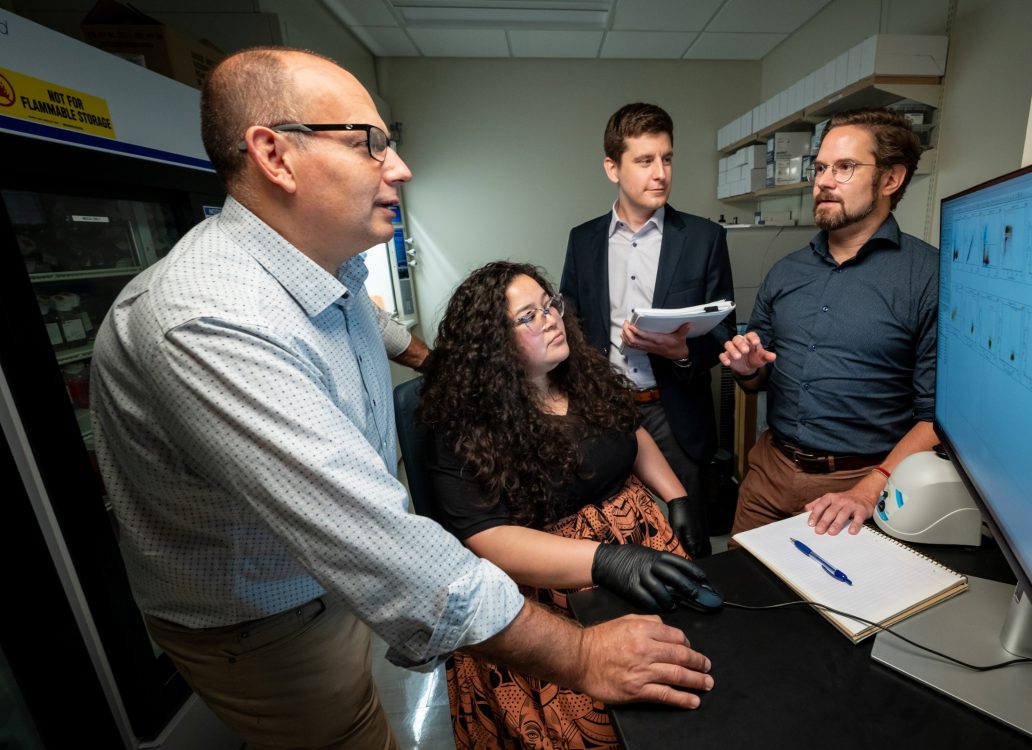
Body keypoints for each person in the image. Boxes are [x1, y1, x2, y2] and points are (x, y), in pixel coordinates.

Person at [89, 46, 712, 750]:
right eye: (370, 144)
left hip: (334, 577)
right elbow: (372, 541)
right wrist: (580, 653)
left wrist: (448, 366)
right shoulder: (210, 320)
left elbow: (386, 334)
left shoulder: (336, 270)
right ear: (274, 154)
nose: (400, 168)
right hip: (268, 615)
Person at [420, 261, 712, 749]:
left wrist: (676, 496)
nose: (552, 318)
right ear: (492, 343)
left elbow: (630, 432)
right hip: (552, 603)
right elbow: (487, 537)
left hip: (639, 558)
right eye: (529, 316)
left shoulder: (582, 376)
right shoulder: (461, 426)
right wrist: (606, 559)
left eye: (550, 305)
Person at [720, 107, 938, 538]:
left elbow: (935, 419)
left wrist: (868, 488)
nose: (822, 181)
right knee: (740, 596)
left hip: (855, 489)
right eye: (820, 168)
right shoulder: (785, 271)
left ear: (891, 180)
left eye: (845, 168)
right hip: (768, 474)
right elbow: (757, 377)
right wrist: (748, 369)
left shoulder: (927, 277)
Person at [561, 103, 735, 555]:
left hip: (674, 411)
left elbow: (723, 333)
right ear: (611, 167)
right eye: (645, 161)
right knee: (616, 530)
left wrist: (680, 352)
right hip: (605, 411)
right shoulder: (583, 240)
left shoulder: (704, 239)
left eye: (668, 158)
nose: (661, 173)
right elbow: (572, 325)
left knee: (691, 540)